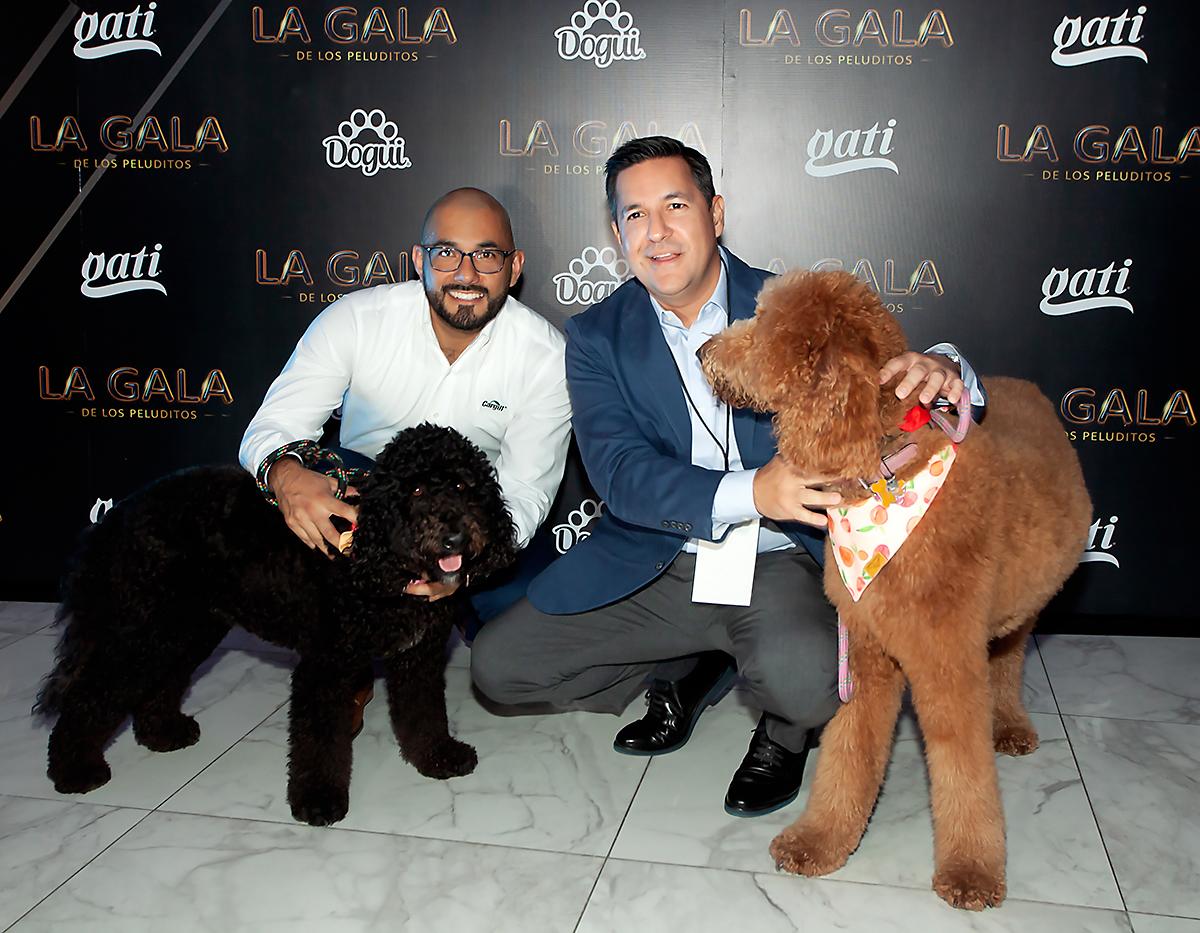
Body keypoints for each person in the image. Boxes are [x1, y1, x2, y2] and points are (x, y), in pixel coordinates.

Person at [471, 137, 985, 817]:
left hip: (780, 563)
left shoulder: (792, 304)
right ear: (617, 231)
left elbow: (891, 379)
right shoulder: (597, 336)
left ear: (715, 214)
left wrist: (947, 370)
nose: (656, 232)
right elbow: (621, 474)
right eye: (634, 215)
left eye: (675, 205)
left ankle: (779, 729)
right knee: (499, 669)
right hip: (661, 562)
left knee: (807, 685)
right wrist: (753, 491)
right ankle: (697, 659)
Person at [240, 188, 572, 727]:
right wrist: (286, 476)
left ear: (514, 269)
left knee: (528, 660)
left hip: (477, 528)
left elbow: (524, 493)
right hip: (370, 516)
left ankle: (453, 615)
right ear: (418, 261)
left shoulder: (545, 357)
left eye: (487, 255)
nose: (466, 273)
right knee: (322, 485)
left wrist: (462, 575)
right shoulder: (355, 320)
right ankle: (346, 664)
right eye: (446, 252)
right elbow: (273, 429)